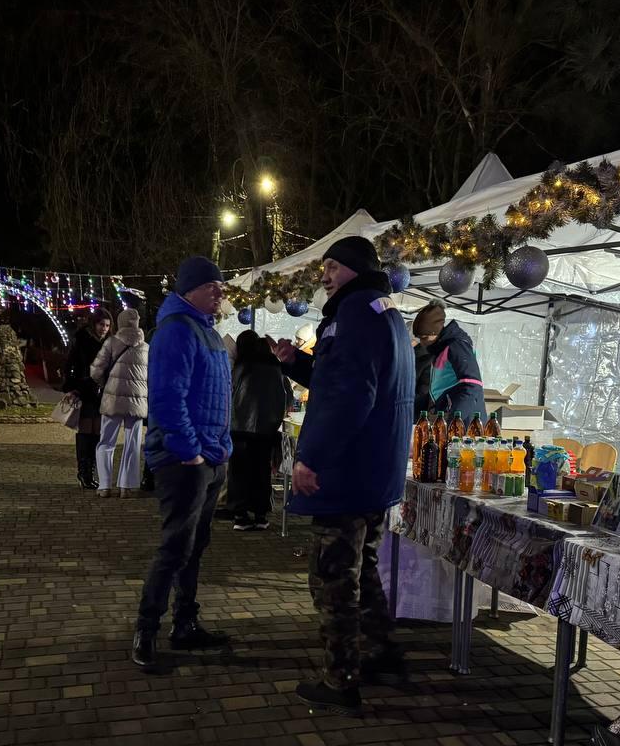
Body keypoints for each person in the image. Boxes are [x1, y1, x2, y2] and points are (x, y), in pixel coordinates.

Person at [271, 236, 415, 716]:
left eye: (332, 266)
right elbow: (344, 379)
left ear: (352, 268)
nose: (325, 275)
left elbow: (351, 395)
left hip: (349, 469)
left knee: (333, 576)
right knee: (364, 565)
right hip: (375, 469)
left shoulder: (353, 314)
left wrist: (311, 458)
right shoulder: (384, 312)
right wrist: (298, 364)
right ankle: (380, 653)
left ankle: (341, 678)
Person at [133, 256, 233, 668]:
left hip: (208, 456)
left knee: (194, 548)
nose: (220, 294)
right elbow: (167, 398)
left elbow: (214, 395)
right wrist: (189, 450)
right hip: (185, 460)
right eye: (213, 287)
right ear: (190, 289)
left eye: (221, 287)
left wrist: (219, 447)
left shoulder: (205, 331)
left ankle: (185, 624)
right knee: (175, 547)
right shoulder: (176, 330)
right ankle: (146, 631)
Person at [228, 330, 292, 531]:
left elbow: (229, 394)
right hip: (267, 428)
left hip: (239, 427)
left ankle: (240, 515)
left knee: (239, 471)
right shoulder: (275, 366)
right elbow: (287, 395)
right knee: (262, 471)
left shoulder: (240, 366)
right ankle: (260, 514)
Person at [90, 308, 149, 498]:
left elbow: (96, 371)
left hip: (113, 399)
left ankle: (105, 485)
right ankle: (127, 486)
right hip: (137, 401)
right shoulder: (146, 347)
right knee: (133, 444)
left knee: (106, 442)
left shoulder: (112, 342)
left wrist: (105, 384)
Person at [62, 308, 111, 488]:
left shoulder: (111, 343)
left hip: (103, 393)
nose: (103, 329)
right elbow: (70, 364)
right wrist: (72, 387)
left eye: (107, 325)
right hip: (85, 390)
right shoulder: (82, 339)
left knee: (97, 433)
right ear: (93, 324)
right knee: (85, 431)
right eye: (101, 324)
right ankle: (84, 472)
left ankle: (90, 471)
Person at [414, 302, 485, 421]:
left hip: (466, 424)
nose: (422, 342)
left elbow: (472, 386)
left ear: (435, 332)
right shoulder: (439, 351)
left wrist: (453, 420)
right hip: (446, 417)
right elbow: (438, 390)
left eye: (425, 337)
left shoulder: (457, 346)